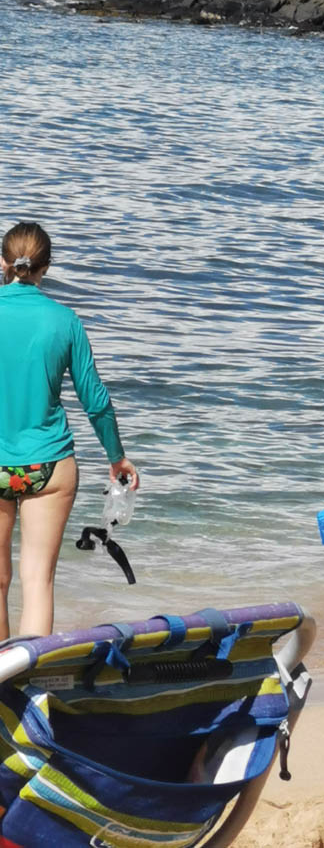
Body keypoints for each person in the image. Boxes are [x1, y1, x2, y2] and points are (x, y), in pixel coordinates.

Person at [0, 221, 139, 641]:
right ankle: (29, 686)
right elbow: (94, 398)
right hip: (50, 464)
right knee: (38, 581)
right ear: (46, 267)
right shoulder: (65, 321)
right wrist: (117, 457)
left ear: (3, 263)